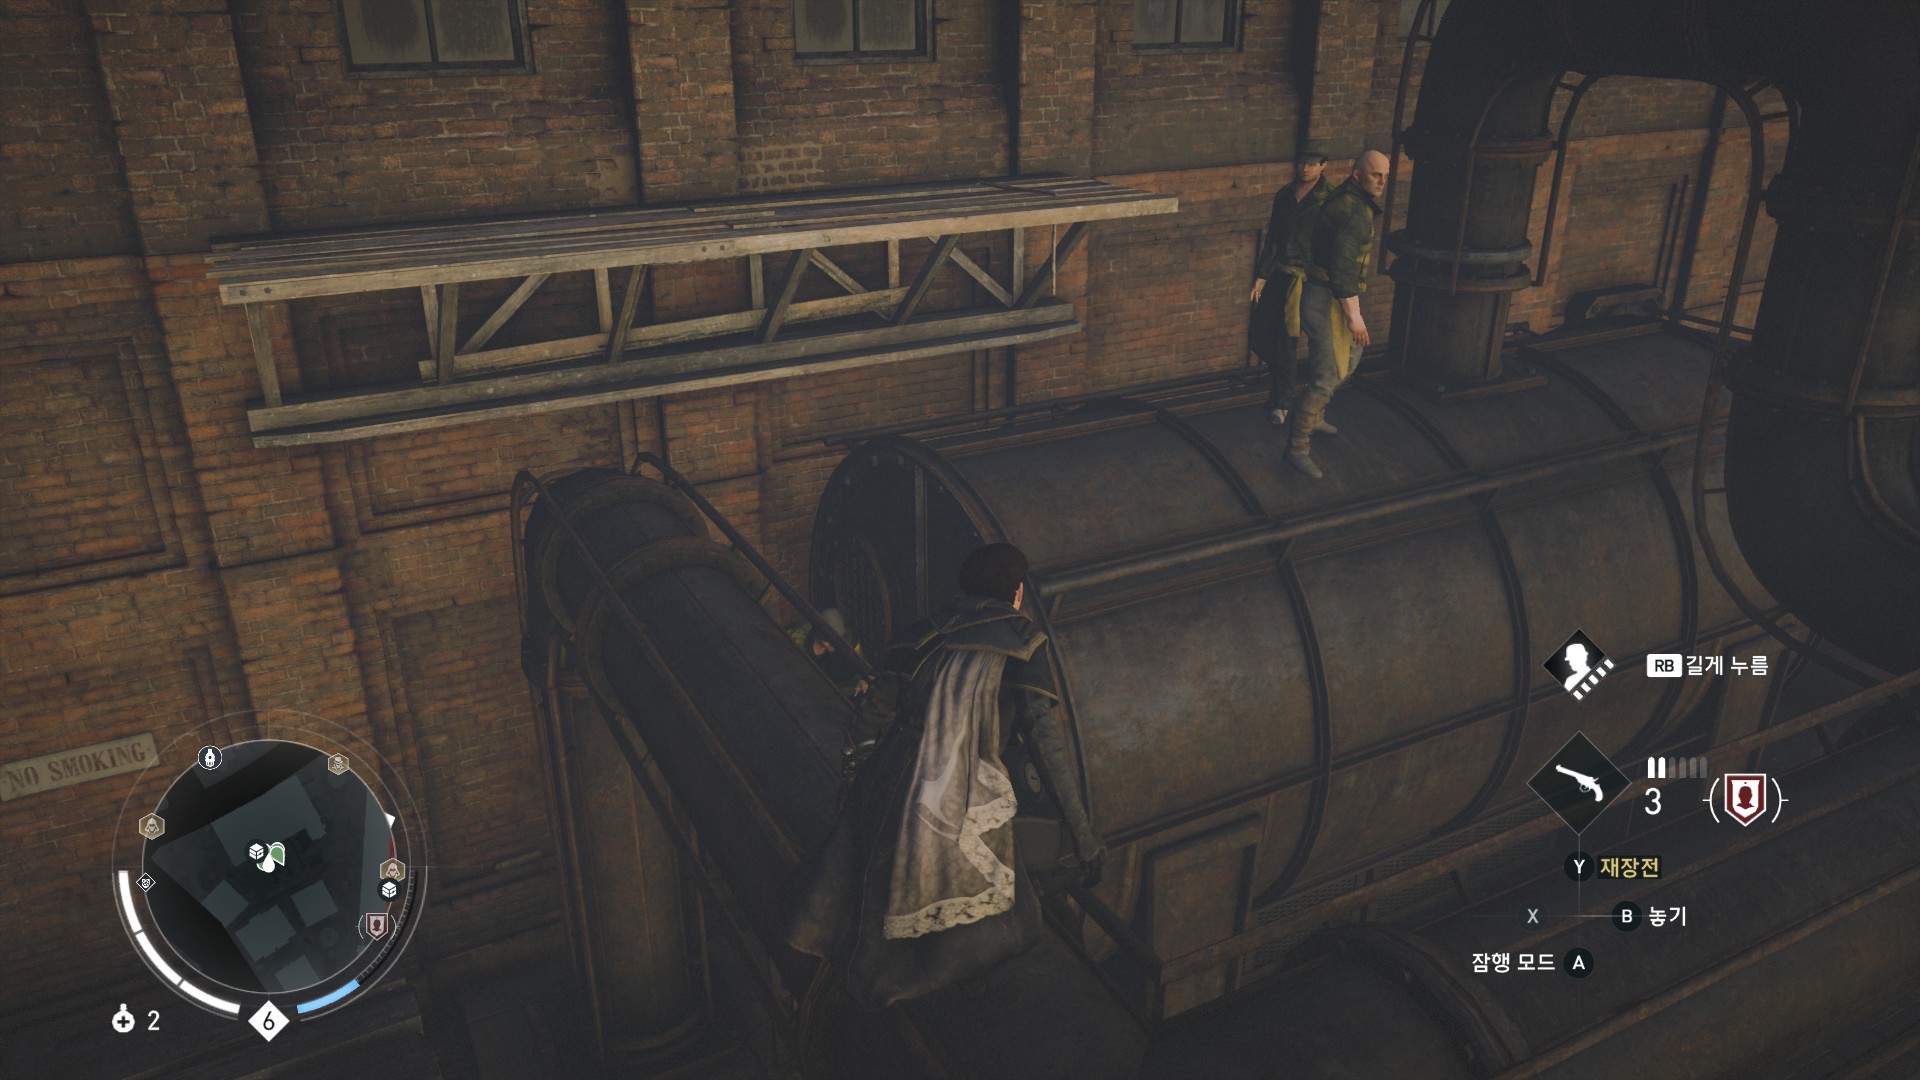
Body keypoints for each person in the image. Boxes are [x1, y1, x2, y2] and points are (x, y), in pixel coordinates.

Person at [782, 543, 1105, 1009]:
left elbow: (869, 720)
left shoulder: (920, 633)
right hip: (961, 792)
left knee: (868, 888)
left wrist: (856, 777)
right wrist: (1083, 834)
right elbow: (1046, 746)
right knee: (994, 915)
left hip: (890, 775)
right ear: (1016, 592)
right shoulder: (1023, 642)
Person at [1288, 149, 1390, 480]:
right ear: (1357, 174)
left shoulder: (1347, 199)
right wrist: (1354, 317)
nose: (1382, 182)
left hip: (1327, 296)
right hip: (1327, 299)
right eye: (1376, 175)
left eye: (1385, 177)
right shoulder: (1354, 213)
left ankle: (1316, 417)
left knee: (1351, 357)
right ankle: (1297, 448)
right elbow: (1343, 272)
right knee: (1326, 376)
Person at [1249, 140, 1333, 426]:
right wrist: (1262, 275)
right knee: (1260, 336)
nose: (1305, 168)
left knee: (1286, 341)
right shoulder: (1285, 195)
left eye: (1312, 163)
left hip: (1306, 278)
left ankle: (1282, 403)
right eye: (1301, 162)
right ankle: (1282, 387)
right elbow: (1273, 237)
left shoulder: (1330, 199)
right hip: (1280, 272)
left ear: (1323, 165)